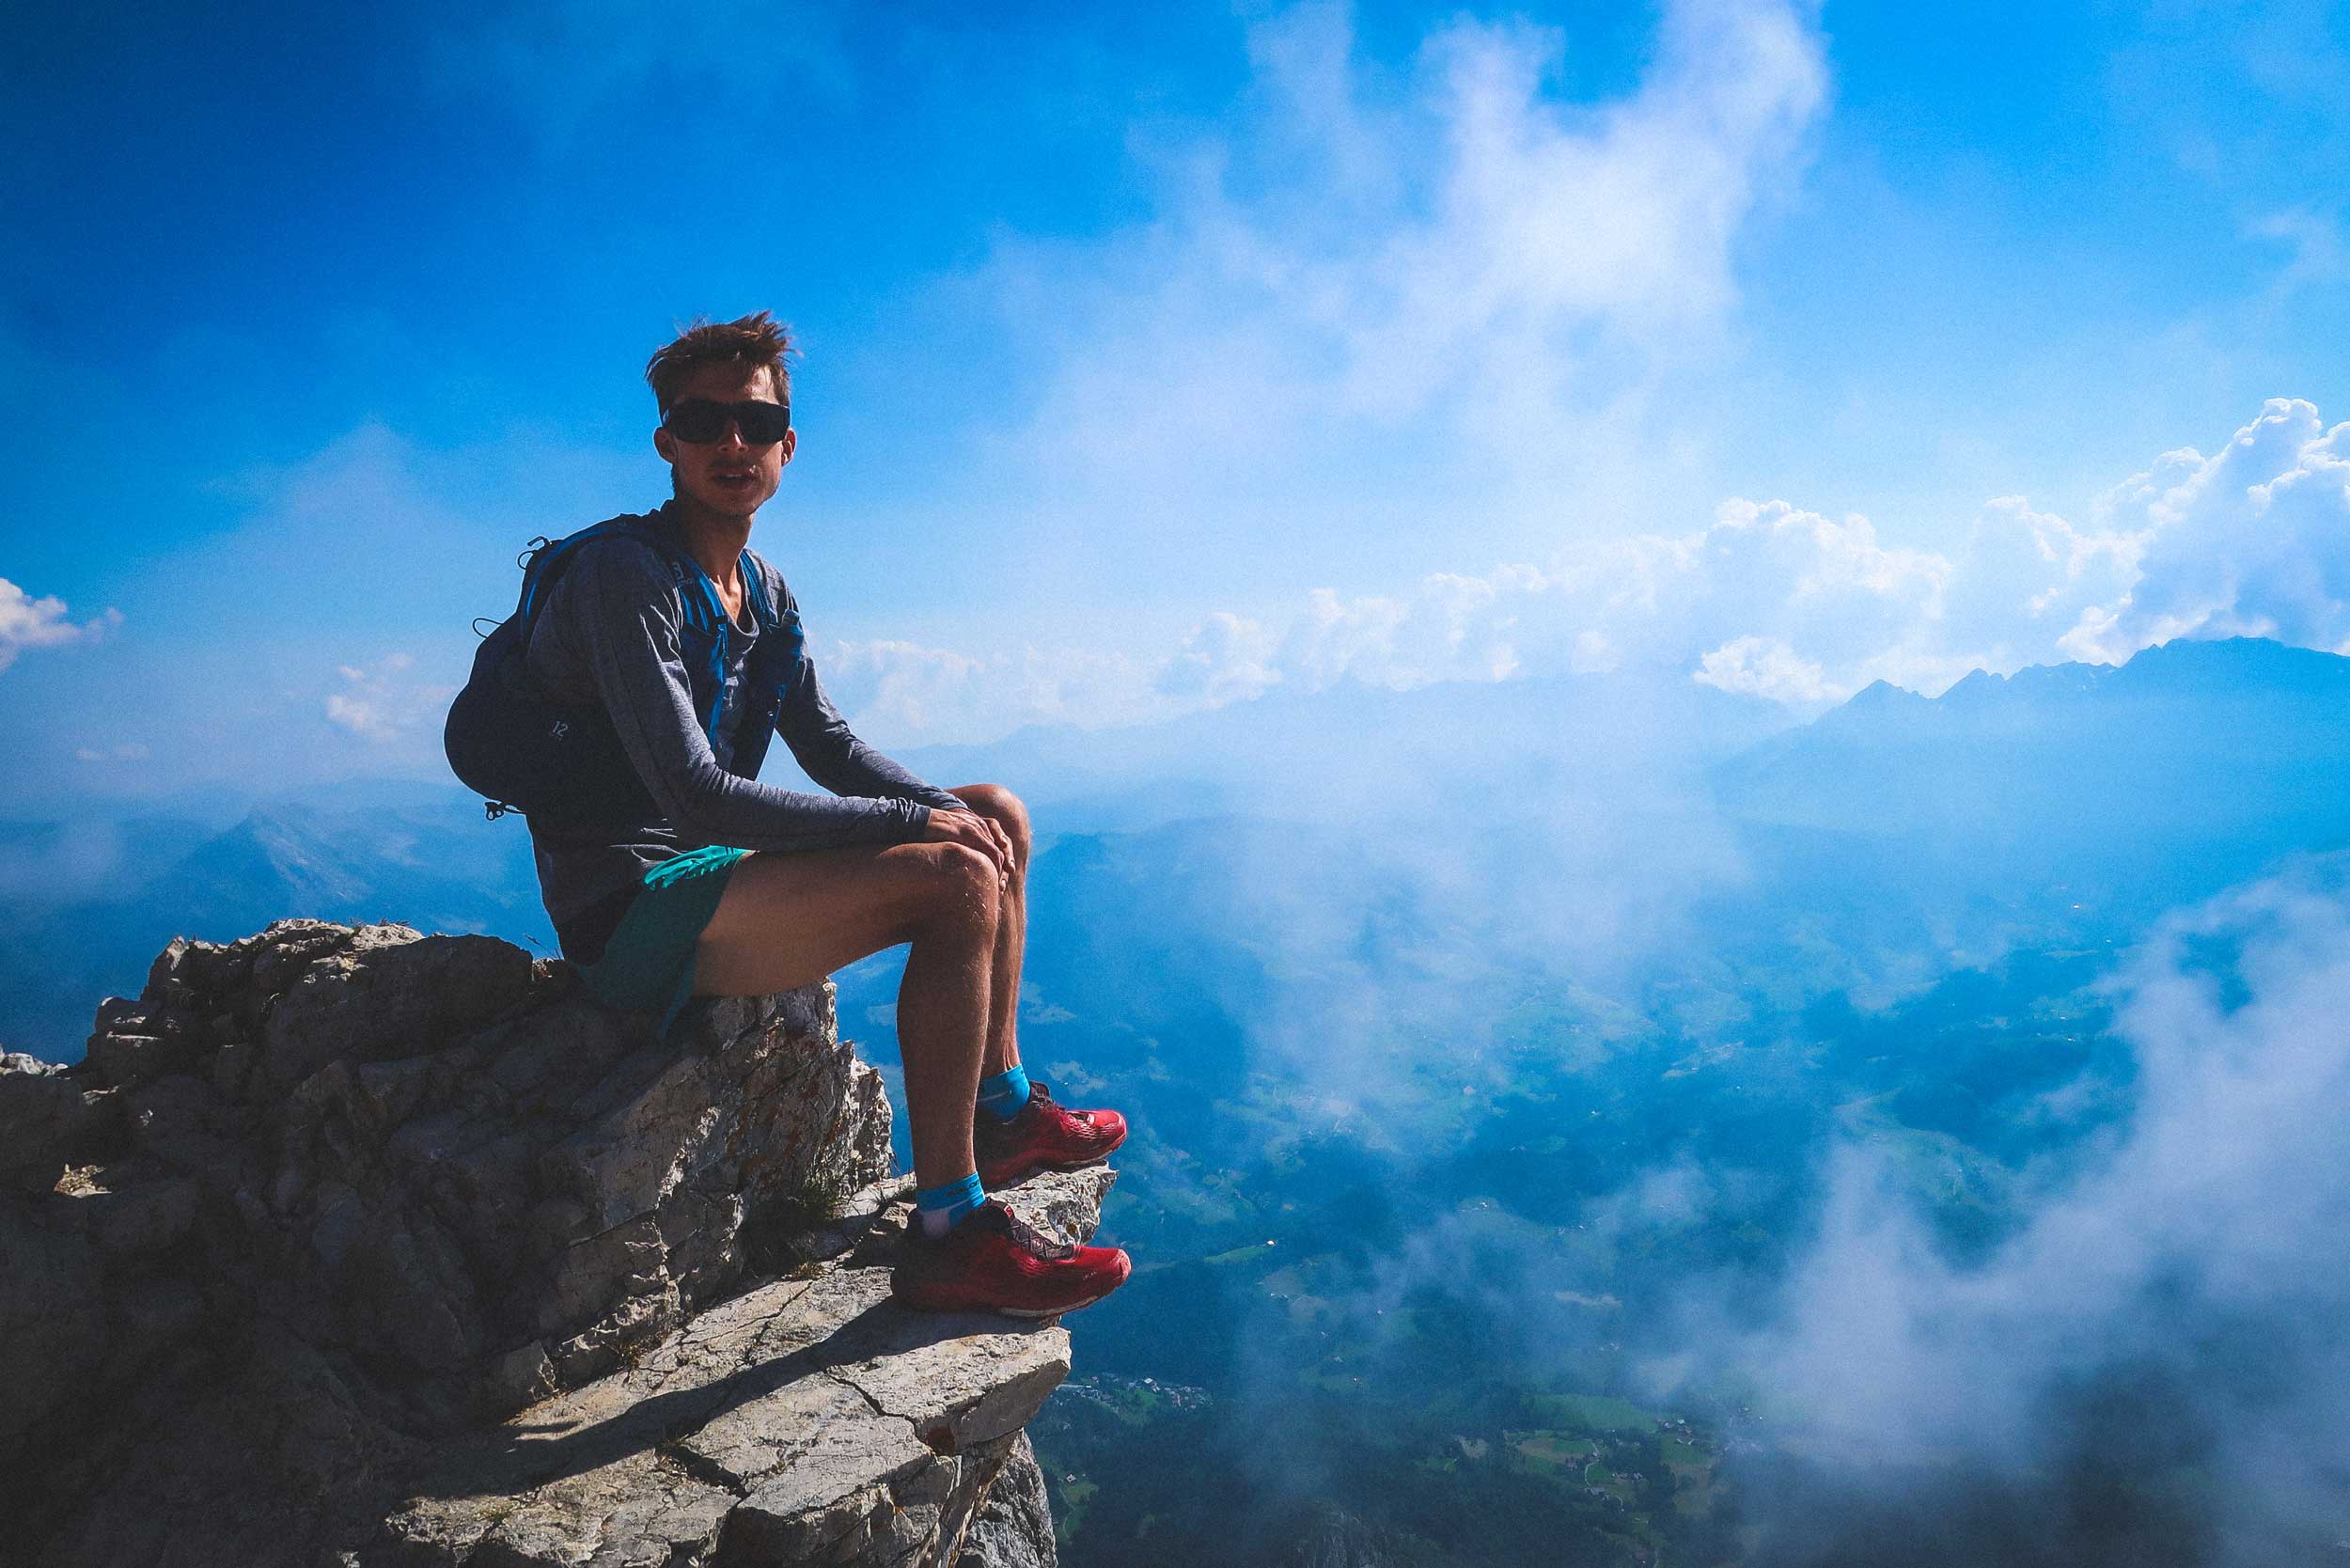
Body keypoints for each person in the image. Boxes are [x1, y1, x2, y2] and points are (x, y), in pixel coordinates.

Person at [517, 310, 1130, 1317]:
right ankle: (950, 1230)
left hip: (717, 884)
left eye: (755, 425)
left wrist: (939, 809)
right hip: (629, 913)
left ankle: (1005, 1111)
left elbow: (832, 749)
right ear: (664, 440)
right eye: (703, 421)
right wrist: (922, 836)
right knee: (954, 877)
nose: (732, 444)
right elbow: (692, 793)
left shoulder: (762, 588)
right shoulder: (626, 576)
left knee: (994, 815)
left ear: (786, 447)